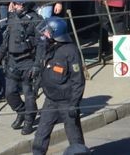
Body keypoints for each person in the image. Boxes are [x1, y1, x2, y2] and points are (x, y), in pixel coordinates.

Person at [31, 18, 86, 155]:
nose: (44, 34)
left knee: (74, 135)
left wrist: (75, 103)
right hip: (50, 100)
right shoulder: (48, 47)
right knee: (41, 134)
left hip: (67, 102)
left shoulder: (70, 51)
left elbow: (78, 80)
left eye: (47, 32)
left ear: (56, 33)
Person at [0, 0, 42, 134]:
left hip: (28, 62)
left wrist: (37, 65)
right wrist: (0, 55)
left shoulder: (36, 20)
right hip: (12, 61)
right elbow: (6, 38)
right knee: (10, 93)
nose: (13, 6)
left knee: (29, 94)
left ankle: (29, 121)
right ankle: (21, 112)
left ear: (25, 4)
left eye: (16, 4)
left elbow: (42, 45)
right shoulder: (12, 17)